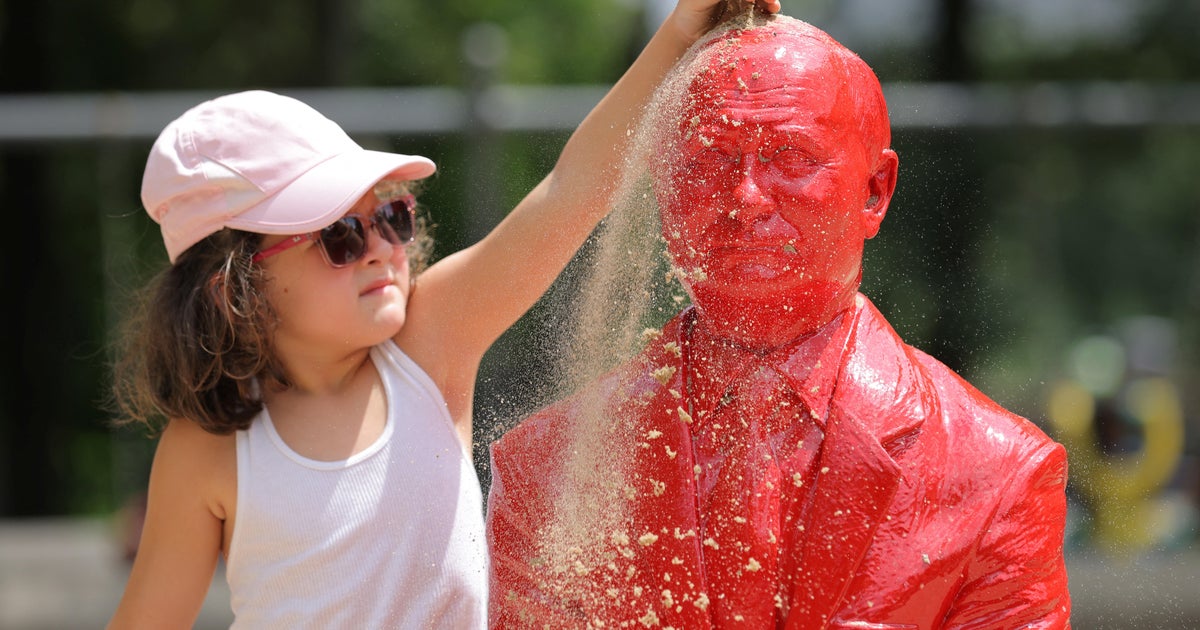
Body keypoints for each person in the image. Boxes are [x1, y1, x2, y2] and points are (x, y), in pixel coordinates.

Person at [105, 1, 782, 628]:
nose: (381, 249)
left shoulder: (427, 346)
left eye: (391, 216)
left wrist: (680, 31)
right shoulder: (207, 453)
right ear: (232, 287)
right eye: (339, 235)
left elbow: (569, 192)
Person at [486, 12, 1071, 629]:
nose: (746, 198)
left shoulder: (995, 475)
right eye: (709, 158)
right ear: (663, 187)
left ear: (875, 190)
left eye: (790, 157)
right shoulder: (545, 474)